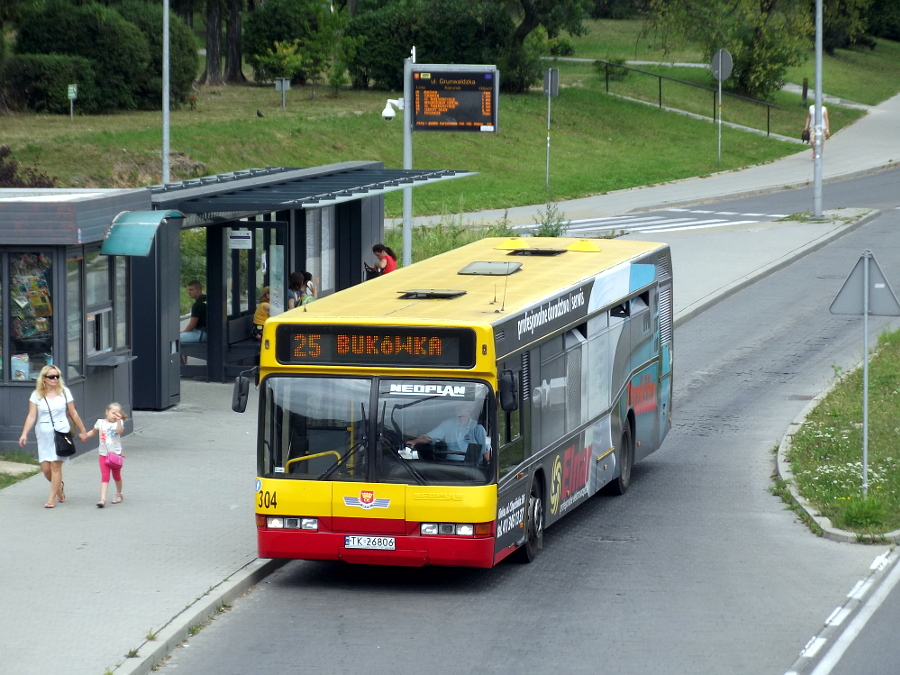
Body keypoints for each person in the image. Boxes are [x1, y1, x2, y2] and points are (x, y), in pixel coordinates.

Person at [18, 365, 88, 508]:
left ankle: (52, 498)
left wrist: (83, 430)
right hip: (43, 434)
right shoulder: (36, 395)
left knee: (56, 466)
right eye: (51, 377)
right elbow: (31, 416)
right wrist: (24, 433)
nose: (55, 379)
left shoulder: (65, 392)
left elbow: (73, 413)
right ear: (44, 378)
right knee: (46, 469)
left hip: (61, 433)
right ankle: (59, 488)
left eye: (57, 376)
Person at [407, 403, 490, 463]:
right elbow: (429, 437)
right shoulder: (448, 424)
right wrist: (416, 441)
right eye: (457, 407)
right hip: (450, 464)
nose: (458, 409)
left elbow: (486, 449)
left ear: (469, 410)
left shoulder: (478, 428)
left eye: (462, 407)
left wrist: (489, 465)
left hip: (471, 466)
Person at [83, 402, 126, 507]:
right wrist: (86, 436)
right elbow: (94, 431)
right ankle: (102, 499)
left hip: (115, 455)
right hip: (103, 455)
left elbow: (120, 431)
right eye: (113, 413)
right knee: (105, 476)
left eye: (118, 413)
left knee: (116, 476)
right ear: (107, 412)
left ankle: (119, 494)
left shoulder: (118, 423)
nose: (115, 415)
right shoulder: (100, 422)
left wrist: (119, 420)